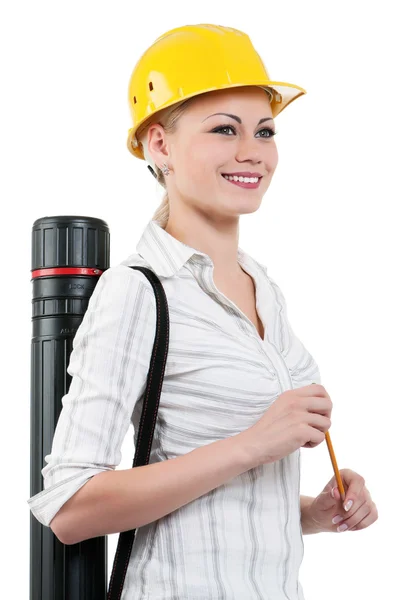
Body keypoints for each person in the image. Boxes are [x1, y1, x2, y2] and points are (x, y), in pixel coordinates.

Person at [27, 23, 377, 600]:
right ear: (159, 145)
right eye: (224, 129)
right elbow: (69, 506)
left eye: (265, 131)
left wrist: (315, 512)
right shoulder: (139, 291)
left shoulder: (262, 286)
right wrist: (254, 444)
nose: (252, 152)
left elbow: (214, 506)